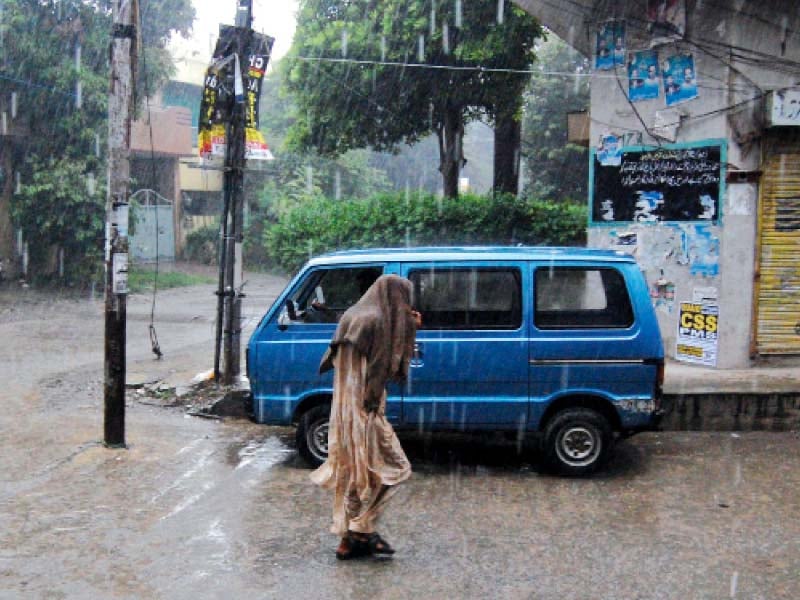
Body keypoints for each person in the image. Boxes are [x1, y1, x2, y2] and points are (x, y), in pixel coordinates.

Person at [311, 274, 422, 560]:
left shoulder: (354, 315)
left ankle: (347, 540)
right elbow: (381, 367)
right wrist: (371, 406)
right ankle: (362, 528)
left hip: (343, 409)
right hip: (366, 409)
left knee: (354, 472)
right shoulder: (380, 322)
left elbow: (335, 352)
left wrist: (407, 324)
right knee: (396, 468)